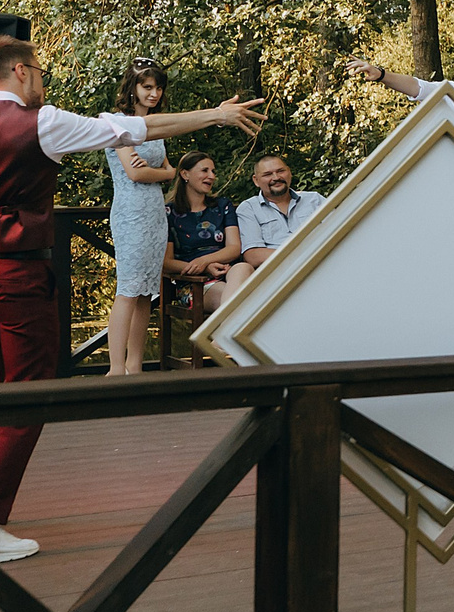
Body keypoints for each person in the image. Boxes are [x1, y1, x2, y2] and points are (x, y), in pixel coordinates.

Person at [0, 34, 263, 562]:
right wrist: (217, 116)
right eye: (38, 69)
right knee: (32, 394)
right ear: (20, 72)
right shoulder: (43, 122)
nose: (42, 78)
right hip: (21, 275)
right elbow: (144, 127)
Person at [102, 59, 177, 375]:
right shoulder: (117, 123)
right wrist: (164, 173)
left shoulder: (155, 126)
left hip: (154, 215)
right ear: (132, 88)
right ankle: (115, 367)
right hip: (130, 213)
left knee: (147, 290)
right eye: (148, 86)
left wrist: (161, 172)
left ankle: (135, 366)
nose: (154, 93)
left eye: (158, 87)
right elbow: (135, 172)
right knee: (129, 288)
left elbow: (166, 168)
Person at [163, 151, 246, 316]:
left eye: (213, 171)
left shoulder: (223, 206)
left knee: (243, 267)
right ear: (185, 174)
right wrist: (205, 268)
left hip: (229, 273)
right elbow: (166, 262)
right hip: (194, 283)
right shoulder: (168, 212)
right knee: (242, 300)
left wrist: (204, 260)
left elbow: (234, 248)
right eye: (205, 170)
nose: (212, 176)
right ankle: (220, 340)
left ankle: (218, 340)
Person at [234, 154, 328, 269]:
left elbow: (340, 226)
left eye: (280, 171)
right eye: (268, 174)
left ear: (289, 172)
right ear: (256, 180)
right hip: (279, 275)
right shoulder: (249, 208)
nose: (276, 177)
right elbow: (253, 256)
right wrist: (300, 255)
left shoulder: (314, 200)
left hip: (325, 263)